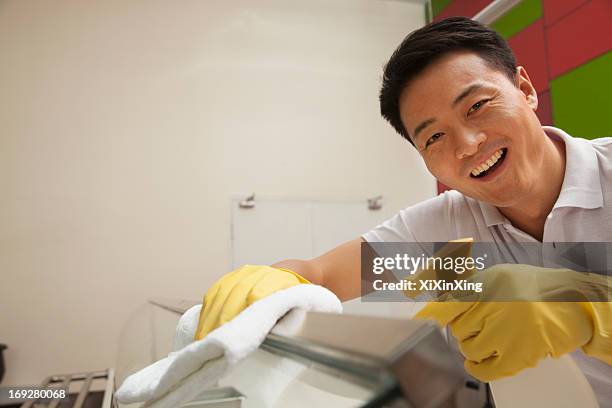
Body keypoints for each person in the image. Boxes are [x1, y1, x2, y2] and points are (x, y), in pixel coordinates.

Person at [195, 17, 612, 405]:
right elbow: (322, 275)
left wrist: (590, 307)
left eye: (477, 106)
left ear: (525, 89)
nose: (466, 144)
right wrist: (272, 281)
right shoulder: (443, 230)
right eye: (434, 138)